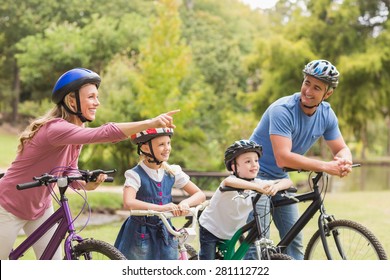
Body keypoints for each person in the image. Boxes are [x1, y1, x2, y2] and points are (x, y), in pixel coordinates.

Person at [0, 67, 179, 260]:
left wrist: (87, 184)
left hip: (40, 208)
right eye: (91, 97)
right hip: (8, 206)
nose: (97, 103)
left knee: (54, 266)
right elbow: (102, 133)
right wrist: (150, 123)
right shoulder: (56, 129)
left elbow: (69, 171)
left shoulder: (75, 132)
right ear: (71, 100)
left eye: (97, 97)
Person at [245, 59, 353, 260]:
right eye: (307, 83)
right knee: (259, 245)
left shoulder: (327, 114)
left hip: (280, 179)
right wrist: (326, 166)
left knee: (293, 241)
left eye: (317, 87)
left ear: (327, 93)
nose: (308, 91)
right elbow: (283, 157)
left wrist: (344, 160)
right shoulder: (282, 110)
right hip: (254, 176)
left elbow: (341, 148)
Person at [114, 127, 206, 260]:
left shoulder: (172, 172)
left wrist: (185, 203)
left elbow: (199, 195)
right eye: (161, 144)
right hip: (139, 233)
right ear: (145, 148)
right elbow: (129, 202)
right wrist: (163, 208)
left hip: (165, 231)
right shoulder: (135, 174)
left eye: (168, 143)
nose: (167, 148)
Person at [198, 139, 293, 260]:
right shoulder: (231, 183)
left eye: (256, 160)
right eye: (248, 161)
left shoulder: (258, 182)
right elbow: (228, 181)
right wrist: (257, 187)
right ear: (234, 167)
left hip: (231, 233)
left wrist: (276, 187)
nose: (254, 164)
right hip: (211, 229)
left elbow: (288, 181)